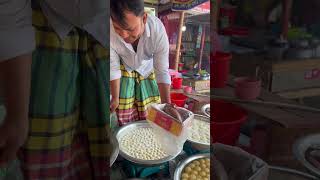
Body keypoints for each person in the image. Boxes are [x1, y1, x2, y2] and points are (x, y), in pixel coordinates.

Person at [0, 0, 109, 179]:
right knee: (44, 154)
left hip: (102, 38)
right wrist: (17, 115)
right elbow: (10, 8)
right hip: (40, 27)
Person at [110, 0, 171, 126]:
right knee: (124, 116)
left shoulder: (157, 29)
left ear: (144, 18)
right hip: (124, 70)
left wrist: (167, 105)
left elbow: (162, 71)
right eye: (117, 28)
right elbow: (113, 68)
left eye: (130, 29)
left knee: (150, 115)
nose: (123, 35)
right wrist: (115, 99)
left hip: (147, 71)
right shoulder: (109, 30)